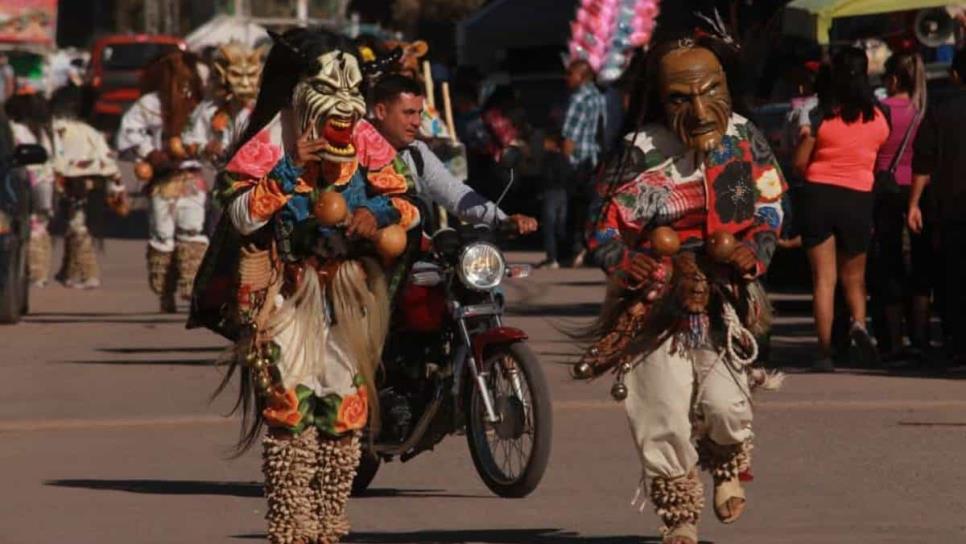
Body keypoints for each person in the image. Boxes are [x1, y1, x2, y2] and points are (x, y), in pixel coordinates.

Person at [189, 28, 420, 544]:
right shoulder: (273, 139)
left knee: (344, 404)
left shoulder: (365, 139)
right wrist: (288, 170)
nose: (343, 106)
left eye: (351, 90)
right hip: (287, 293)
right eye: (328, 88)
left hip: (350, 291)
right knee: (290, 405)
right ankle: (290, 523)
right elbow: (241, 213)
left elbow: (406, 202)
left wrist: (371, 212)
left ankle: (329, 520)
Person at [573, 35, 785, 544]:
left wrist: (753, 251)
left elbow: (772, 204)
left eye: (711, 91)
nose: (698, 108)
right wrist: (629, 264)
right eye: (680, 98)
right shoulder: (638, 153)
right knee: (661, 408)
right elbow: (601, 228)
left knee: (726, 407)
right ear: (659, 100)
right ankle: (678, 516)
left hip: (723, 289)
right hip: (659, 296)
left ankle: (727, 460)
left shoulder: (744, 138)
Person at [793, 47, 889, 372]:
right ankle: (859, 324)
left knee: (824, 280)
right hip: (858, 198)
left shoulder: (822, 114)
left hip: (819, 196)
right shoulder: (879, 117)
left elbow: (799, 163)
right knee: (855, 278)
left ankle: (824, 353)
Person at [367, 73, 536, 234]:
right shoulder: (354, 148)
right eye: (408, 113)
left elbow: (454, 193)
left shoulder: (417, 152)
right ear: (381, 111)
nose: (417, 122)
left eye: (419, 114)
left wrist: (502, 219)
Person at [117, 50, 206, 313]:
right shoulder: (150, 104)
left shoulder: (199, 105)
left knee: (192, 230)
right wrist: (150, 153)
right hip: (162, 181)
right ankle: (164, 292)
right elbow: (130, 130)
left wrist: (203, 148)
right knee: (163, 235)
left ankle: (190, 288)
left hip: (191, 177)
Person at [869, 52, 931, 362]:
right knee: (919, 265)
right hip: (919, 192)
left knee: (889, 265)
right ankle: (920, 337)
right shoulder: (923, 111)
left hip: (887, 192)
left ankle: (894, 341)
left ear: (893, 80)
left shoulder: (881, 111)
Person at [909, 48, 966, 367]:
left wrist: (914, 202)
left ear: (956, 75)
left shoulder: (939, 112)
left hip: (949, 209)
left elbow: (923, 163)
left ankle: (957, 344)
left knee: (952, 278)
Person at [49, 85, 123, 289]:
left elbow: (56, 158)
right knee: (75, 227)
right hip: (89, 184)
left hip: (74, 184)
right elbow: (108, 163)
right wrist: (117, 186)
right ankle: (67, 272)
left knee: (78, 227)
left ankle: (90, 274)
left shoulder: (58, 128)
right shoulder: (91, 132)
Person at [5, 91, 55, 287]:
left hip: (24, 183)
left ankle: (33, 271)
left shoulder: (15, 130)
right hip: (39, 183)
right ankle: (37, 273)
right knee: (37, 226)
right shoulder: (40, 132)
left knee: (31, 227)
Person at [562, 59, 606, 267]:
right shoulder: (598, 96)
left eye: (570, 74)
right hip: (595, 160)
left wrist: (565, 162)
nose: (567, 78)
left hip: (578, 163)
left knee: (574, 210)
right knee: (591, 210)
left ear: (581, 76)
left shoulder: (578, 98)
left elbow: (570, 138)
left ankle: (575, 251)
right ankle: (589, 250)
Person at [537, 132, 572, 268]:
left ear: (553, 143)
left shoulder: (549, 158)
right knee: (560, 226)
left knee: (549, 227)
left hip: (551, 193)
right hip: (563, 194)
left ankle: (552, 258)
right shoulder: (565, 158)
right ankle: (562, 256)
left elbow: (545, 176)